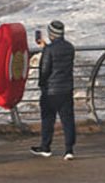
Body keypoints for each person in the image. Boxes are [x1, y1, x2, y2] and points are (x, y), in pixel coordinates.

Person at [29, 19, 77, 160]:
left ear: (51, 34)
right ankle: (69, 150)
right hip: (66, 89)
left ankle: (46, 147)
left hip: (51, 90)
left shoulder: (49, 50)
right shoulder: (70, 47)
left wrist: (41, 84)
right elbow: (59, 60)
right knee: (68, 120)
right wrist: (46, 47)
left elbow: (45, 69)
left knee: (48, 119)